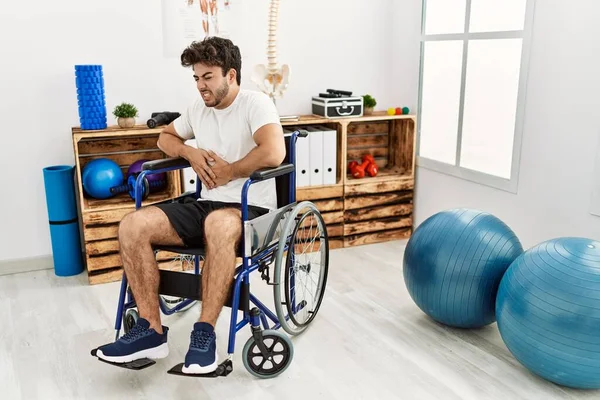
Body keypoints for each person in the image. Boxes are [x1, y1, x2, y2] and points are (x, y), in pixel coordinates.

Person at [94, 36, 285, 374]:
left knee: (218, 225)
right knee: (132, 225)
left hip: (250, 209)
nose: (200, 86)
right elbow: (164, 137)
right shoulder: (198, 109)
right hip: (207, 205)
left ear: (231, 75)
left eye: (208, 77)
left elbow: (273, 152)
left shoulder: (256, 103)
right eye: (196, 78)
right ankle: (151, 329)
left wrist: (229, 172)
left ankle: (205, 333)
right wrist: (190, 152)